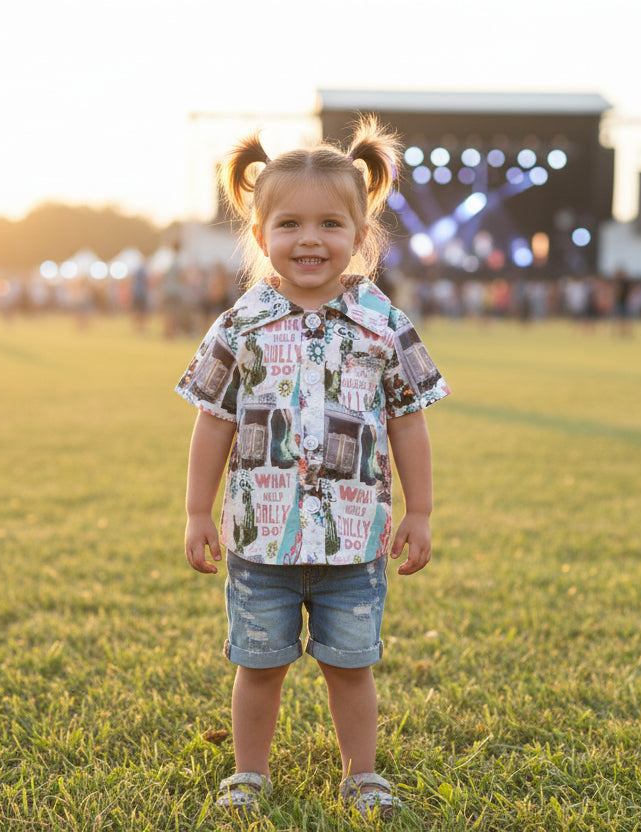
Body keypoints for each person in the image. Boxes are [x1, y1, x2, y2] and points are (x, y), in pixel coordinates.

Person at [176, 117, 450, 821]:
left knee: (350, 669)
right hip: (259, 541)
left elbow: (408, 420)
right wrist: (198, 510)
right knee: (258, 667)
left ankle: (363, 776)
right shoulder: (241, 323)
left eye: (331, 224)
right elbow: (214, 419)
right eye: (290, 223)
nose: (310, 239)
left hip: (354, 543)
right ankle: (249, 774)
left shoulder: (383, 323)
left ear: (360, 235)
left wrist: (420, 511)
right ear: (260, 232)